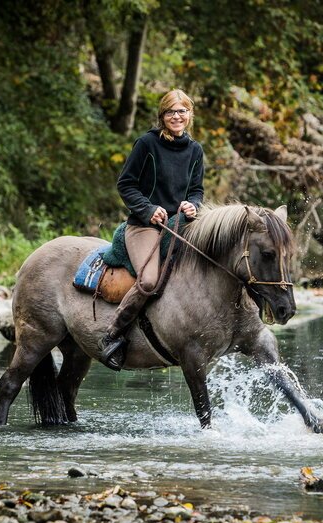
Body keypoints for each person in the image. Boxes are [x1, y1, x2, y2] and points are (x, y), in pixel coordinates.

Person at [99, 89, 204, 370]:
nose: (177, 116)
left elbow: (197, 190)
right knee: (148, 281)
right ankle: (113, 334)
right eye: (171, 112)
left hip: (179, 226)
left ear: (190, 114)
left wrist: (193, 204)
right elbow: (126, 184)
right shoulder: (146, 144)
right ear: (162, 116)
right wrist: (147, 209)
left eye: (182, 111)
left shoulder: (195, 150)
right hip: (145, 225)